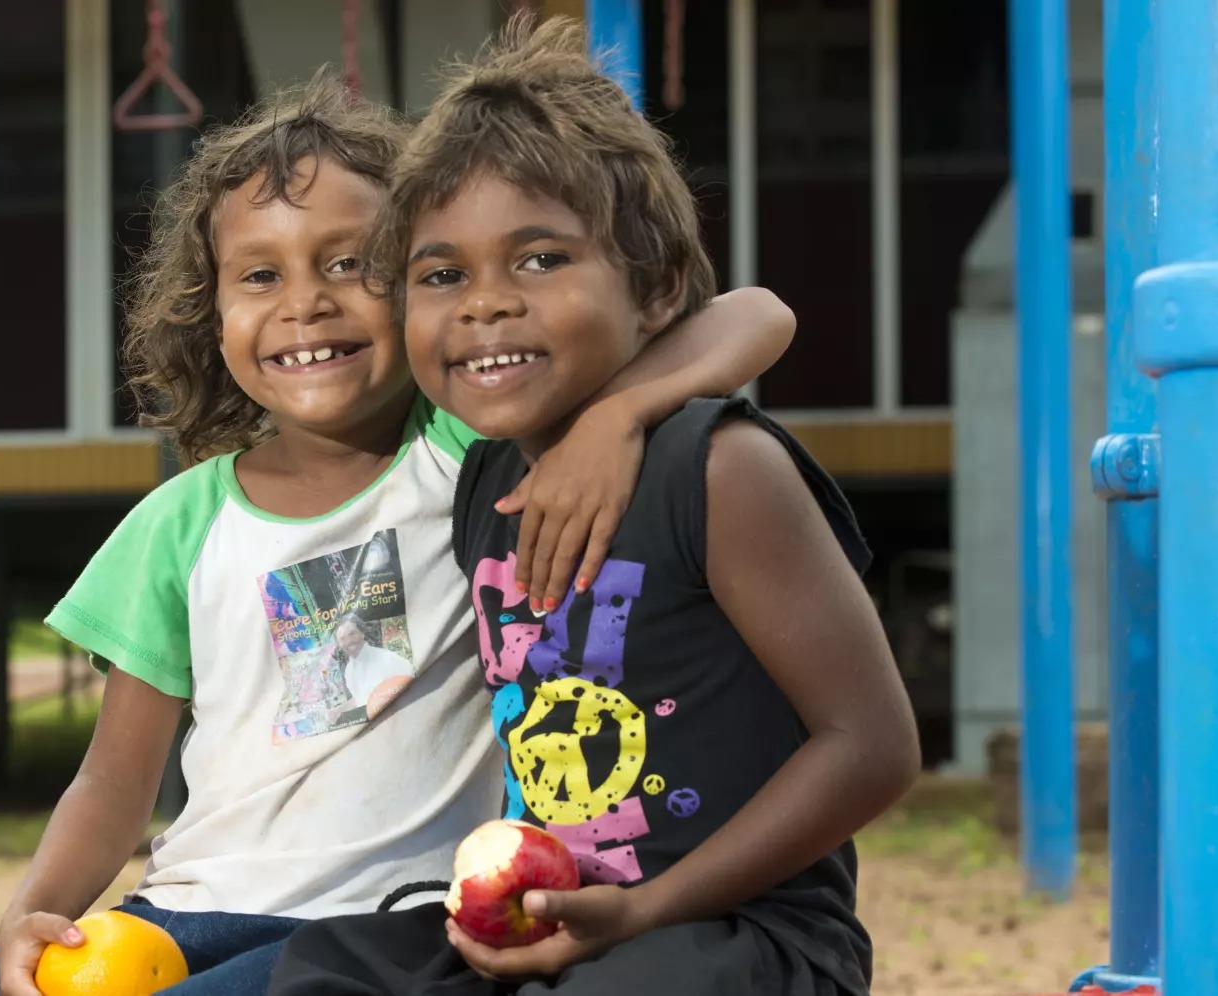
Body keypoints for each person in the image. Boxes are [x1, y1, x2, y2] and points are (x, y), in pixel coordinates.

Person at [0, 68, 795, 996]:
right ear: (210, 317)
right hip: (178, 907)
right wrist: (30, 916)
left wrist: (621, 414)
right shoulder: (181, 521)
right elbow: (113, 782)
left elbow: (756, 314)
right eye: (260, 276)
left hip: (379, 932)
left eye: (350, 265)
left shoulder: (474, 453)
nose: (307, 304)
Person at [267, 17, 920, 996]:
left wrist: (647, 909)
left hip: (735, 934)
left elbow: (874, 749)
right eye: (442, 276)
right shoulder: (482, 477)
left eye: (538, 259)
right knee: (325, 972)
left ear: (653, 290)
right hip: (557, 914)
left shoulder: (716, 469)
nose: (485, 303)